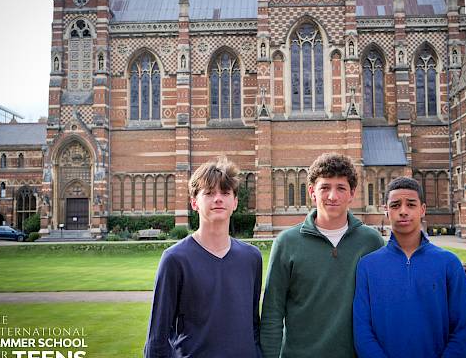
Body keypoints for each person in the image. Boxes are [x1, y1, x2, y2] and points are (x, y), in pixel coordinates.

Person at [260, 153, 385, 358]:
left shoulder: (371, 242)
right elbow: (272, 313)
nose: (332, 196)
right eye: (325, 187)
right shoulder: (287, 243)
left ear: (352, 194)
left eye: (341, 188)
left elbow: (381, 309)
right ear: (312, 192)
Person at [143, 157, 262, 357]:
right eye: (209, 193)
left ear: (235, 202)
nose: (218, 199)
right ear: (194, 202)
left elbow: (253, 325)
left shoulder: (251, 258)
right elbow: (157, 339)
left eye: (225, 193)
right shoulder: (175, 259)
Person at [353, 177, 466, 358]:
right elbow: (362, 330)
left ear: (422, 209)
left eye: (411, 204)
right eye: (395, 205)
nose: (403, 211)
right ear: (386, 210)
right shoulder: (367, 266)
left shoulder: (449, 263)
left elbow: (462, 331)